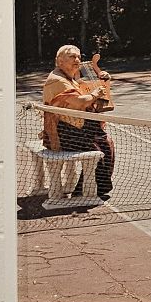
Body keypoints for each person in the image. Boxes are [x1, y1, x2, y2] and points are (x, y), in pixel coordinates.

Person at [42, 45, 116, 199]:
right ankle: (84, 191)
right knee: (99, 150)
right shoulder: (57, 80)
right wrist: (95, 94)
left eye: (79, 57)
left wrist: (103, 79)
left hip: (76, 129)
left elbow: (86, 87)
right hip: (64, 134)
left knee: (106, 143)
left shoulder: (68, 77)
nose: (77, 60)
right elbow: (80, 102)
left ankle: (92, 188)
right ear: (60, 61)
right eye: (72, 57)